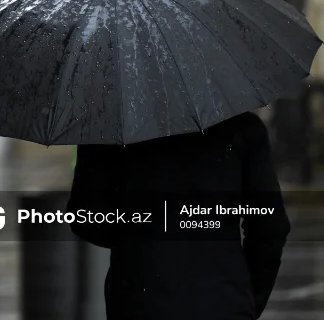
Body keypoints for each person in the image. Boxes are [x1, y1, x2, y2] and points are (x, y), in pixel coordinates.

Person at [67, 112, 291, 320]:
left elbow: (86, 219)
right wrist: (249, 296)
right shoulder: (242, 126)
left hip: (140, 301)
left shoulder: (107, 126)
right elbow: (270, 226)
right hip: (223, 301)